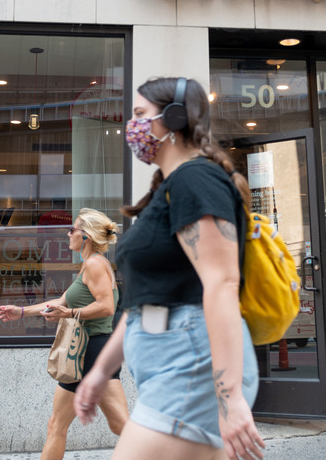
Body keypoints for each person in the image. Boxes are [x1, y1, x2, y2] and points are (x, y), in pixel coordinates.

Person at [73, 77, 264, 460]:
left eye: (141, 115)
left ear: (174, 119)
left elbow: (222, 284)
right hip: (172, 364)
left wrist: (230, 400)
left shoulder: (196, 179)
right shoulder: (170, 187)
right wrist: (99, 372)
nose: (133, 126)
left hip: (191, 363)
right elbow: (145, 300)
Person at [0, 209, 128, 460]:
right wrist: (21, 311)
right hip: (90, 350)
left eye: (73, 229)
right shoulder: (90, 265)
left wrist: (69, 315)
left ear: (86, 236)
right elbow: (61, 301)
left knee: (65, 426)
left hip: (88, 350)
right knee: (110, 426)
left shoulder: (95, 264)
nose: (68, 234)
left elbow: (107, 306)